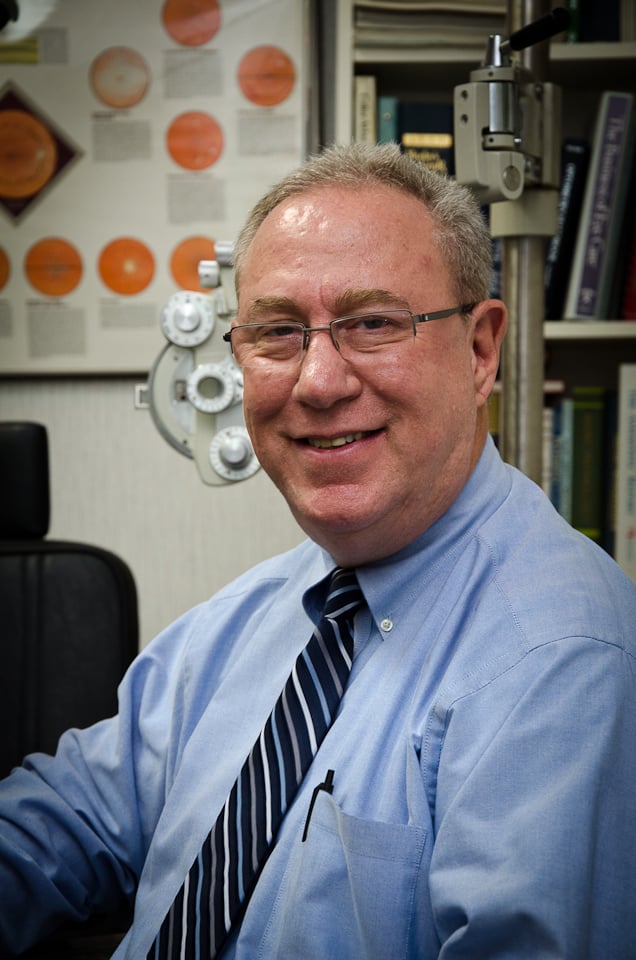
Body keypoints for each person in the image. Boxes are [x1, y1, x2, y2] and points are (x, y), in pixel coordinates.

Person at [1, 142, 635, 959]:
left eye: (373, 323)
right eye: (277, 332)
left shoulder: (558, 664)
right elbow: (64, 821)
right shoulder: (245, 622)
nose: (318, 382)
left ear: (480, 352)